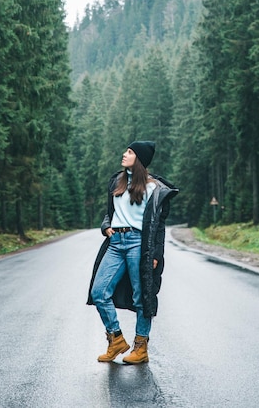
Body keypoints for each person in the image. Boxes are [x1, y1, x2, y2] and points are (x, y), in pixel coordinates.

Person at [87, 140, 179, 364]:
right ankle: (115, 339)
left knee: (142, 297)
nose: (124, 154)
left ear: (139, 158)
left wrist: (156, 254)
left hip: (139, 244)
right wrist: (105, 226)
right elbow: (111, 212)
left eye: (129, 152)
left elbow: (158, 226)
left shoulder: (153, 189)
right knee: (99, 292)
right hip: (116, 243)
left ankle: (141, 347)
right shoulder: (117, 181)